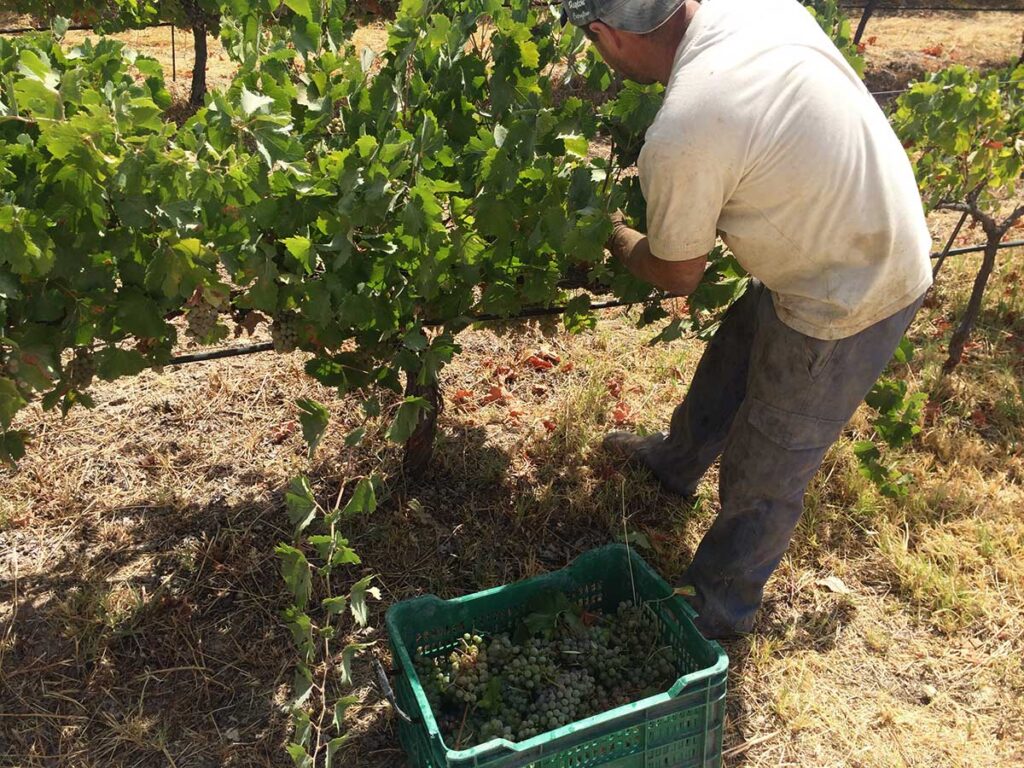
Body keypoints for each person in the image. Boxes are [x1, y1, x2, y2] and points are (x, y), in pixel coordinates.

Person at [560, 0, 933, 639]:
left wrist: (613, 238)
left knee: (768, 464)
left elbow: (679, 273)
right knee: (735, 354)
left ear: (607, 35)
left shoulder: (685, 130)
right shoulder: (755, 7)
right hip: (848, 234)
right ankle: (675, 461)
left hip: (852, 288)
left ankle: (717, 608)